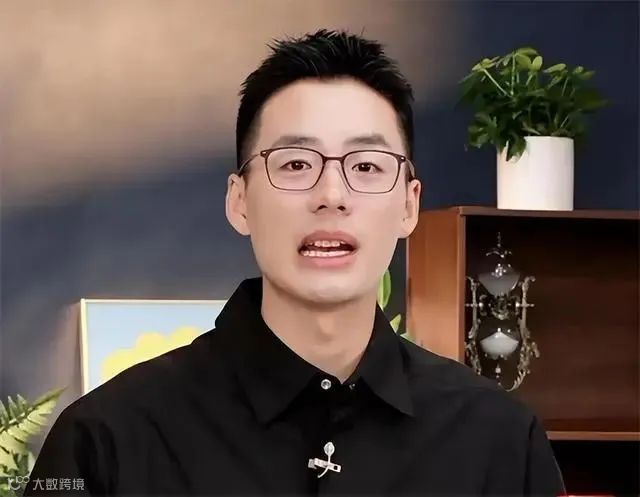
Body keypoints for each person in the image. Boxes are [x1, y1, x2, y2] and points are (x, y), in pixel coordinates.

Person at [25, 29, 566, 496]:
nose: (332, 195)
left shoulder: (499, 441)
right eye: (295, 164)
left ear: (409, 205)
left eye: (367, 166)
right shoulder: (106, 440)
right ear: (239, 201)